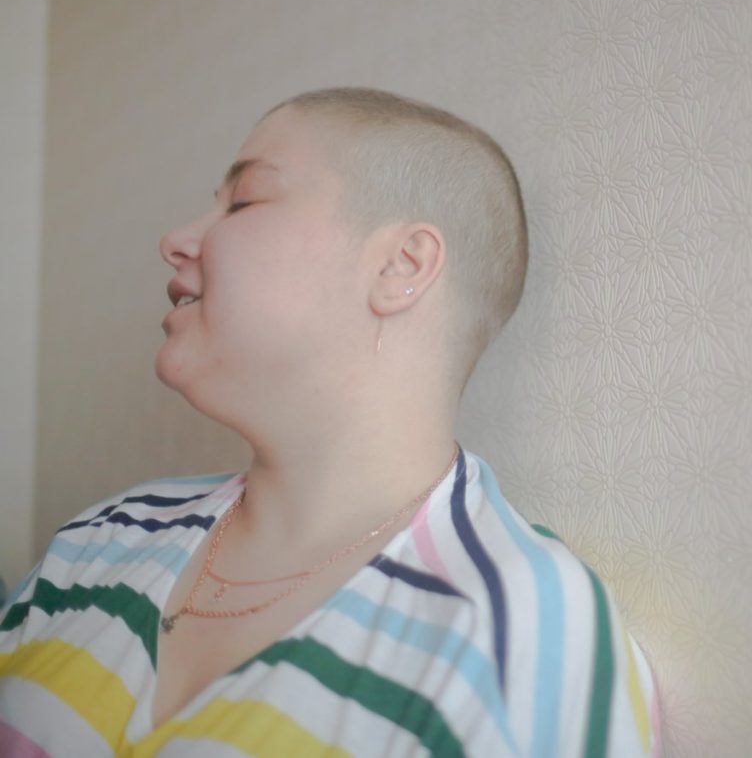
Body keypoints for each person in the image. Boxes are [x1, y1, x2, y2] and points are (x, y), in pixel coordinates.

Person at [0, 87, 662, 756]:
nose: (175, 241)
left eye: (242, 201)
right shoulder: (96, 543)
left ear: (401, 266)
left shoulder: (519, 628)